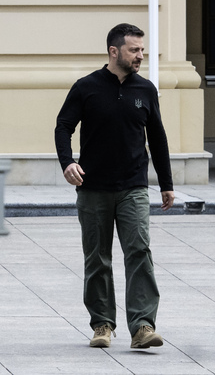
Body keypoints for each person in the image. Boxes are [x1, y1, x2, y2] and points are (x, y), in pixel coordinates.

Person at [54, 23, 175, 349]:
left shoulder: (146, 89)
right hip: (93, 187)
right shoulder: (86, 87)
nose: (140, 55)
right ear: (114, 51)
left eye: (141, 50)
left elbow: (158, 137)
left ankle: (143, 327)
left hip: (133, 186)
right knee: (97, 258)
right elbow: (63, 126)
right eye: (134, 50)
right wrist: (68, 162)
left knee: (139, 251)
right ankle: (103, 325)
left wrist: (166, 183)